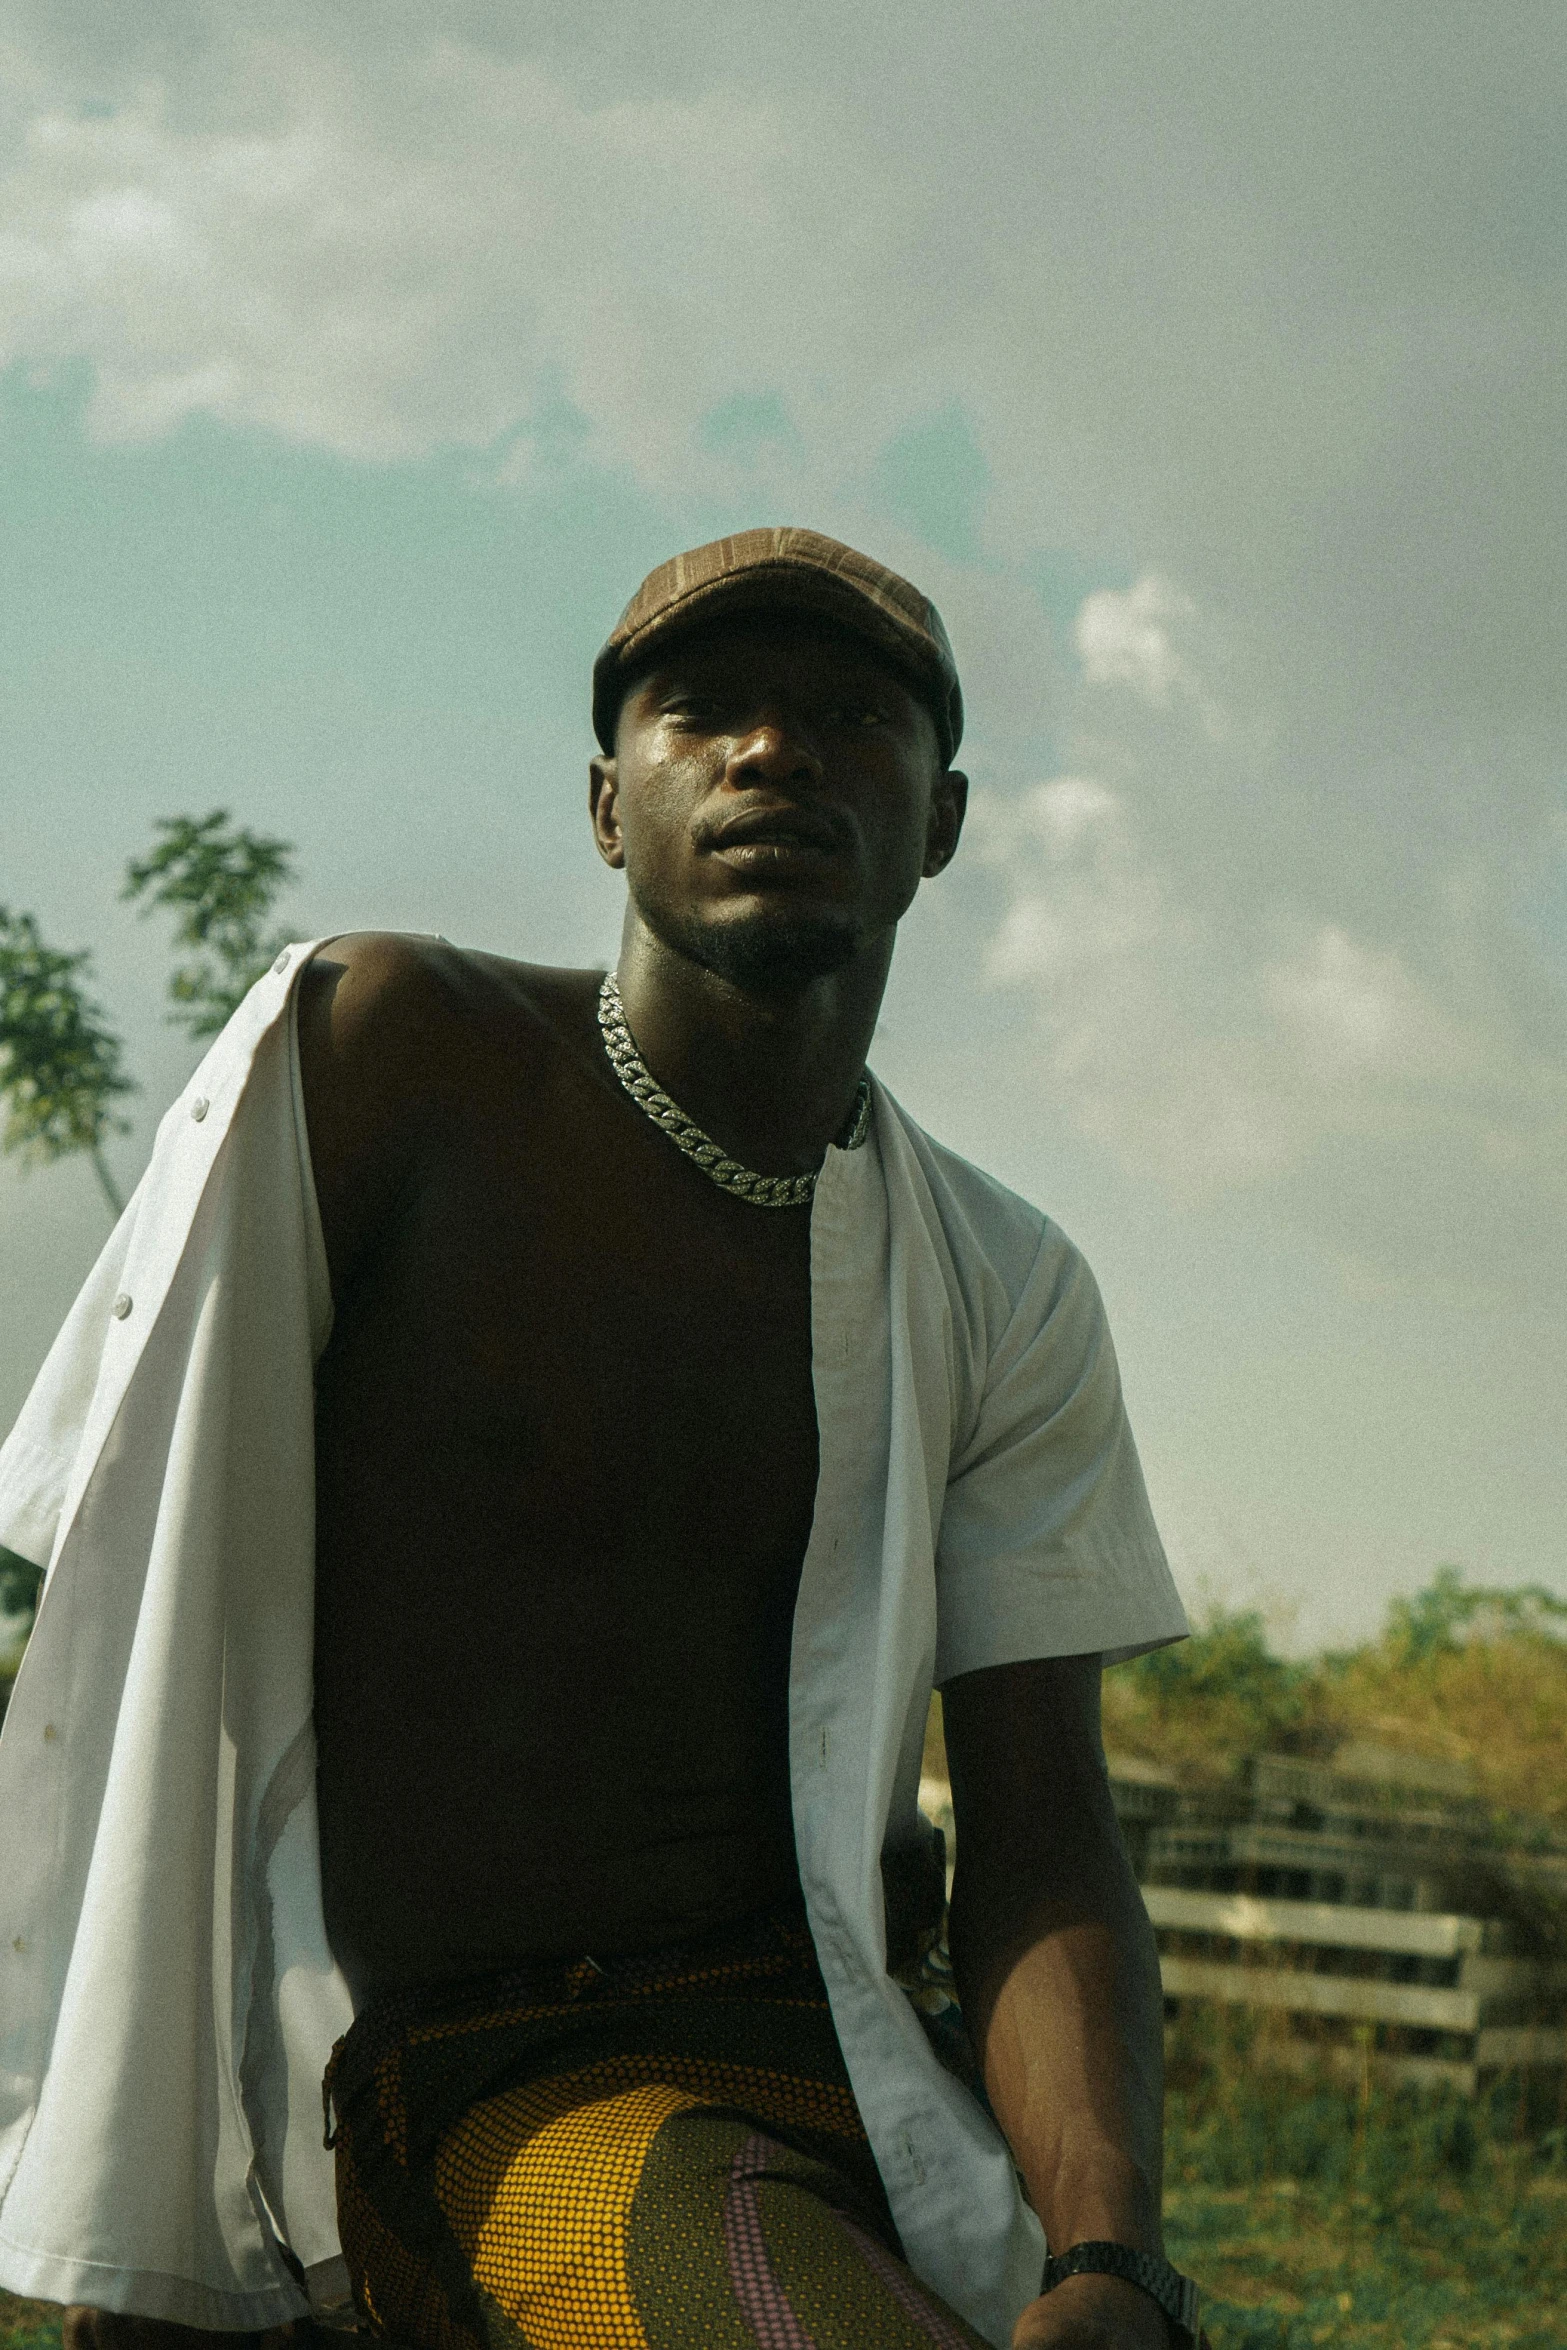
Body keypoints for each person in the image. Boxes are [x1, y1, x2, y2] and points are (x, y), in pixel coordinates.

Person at [0, 529, 1198, 2350]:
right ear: (601, 803)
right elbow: (137, 1585)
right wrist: (174, 2195)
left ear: (939, 819)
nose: (773, 754)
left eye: (849, 720)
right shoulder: (386, 1060)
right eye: (703, 712)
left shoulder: (1002, 1286)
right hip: (485, 2069)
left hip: (855, 2073)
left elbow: (1041, 1830)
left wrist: (1107, 2257)